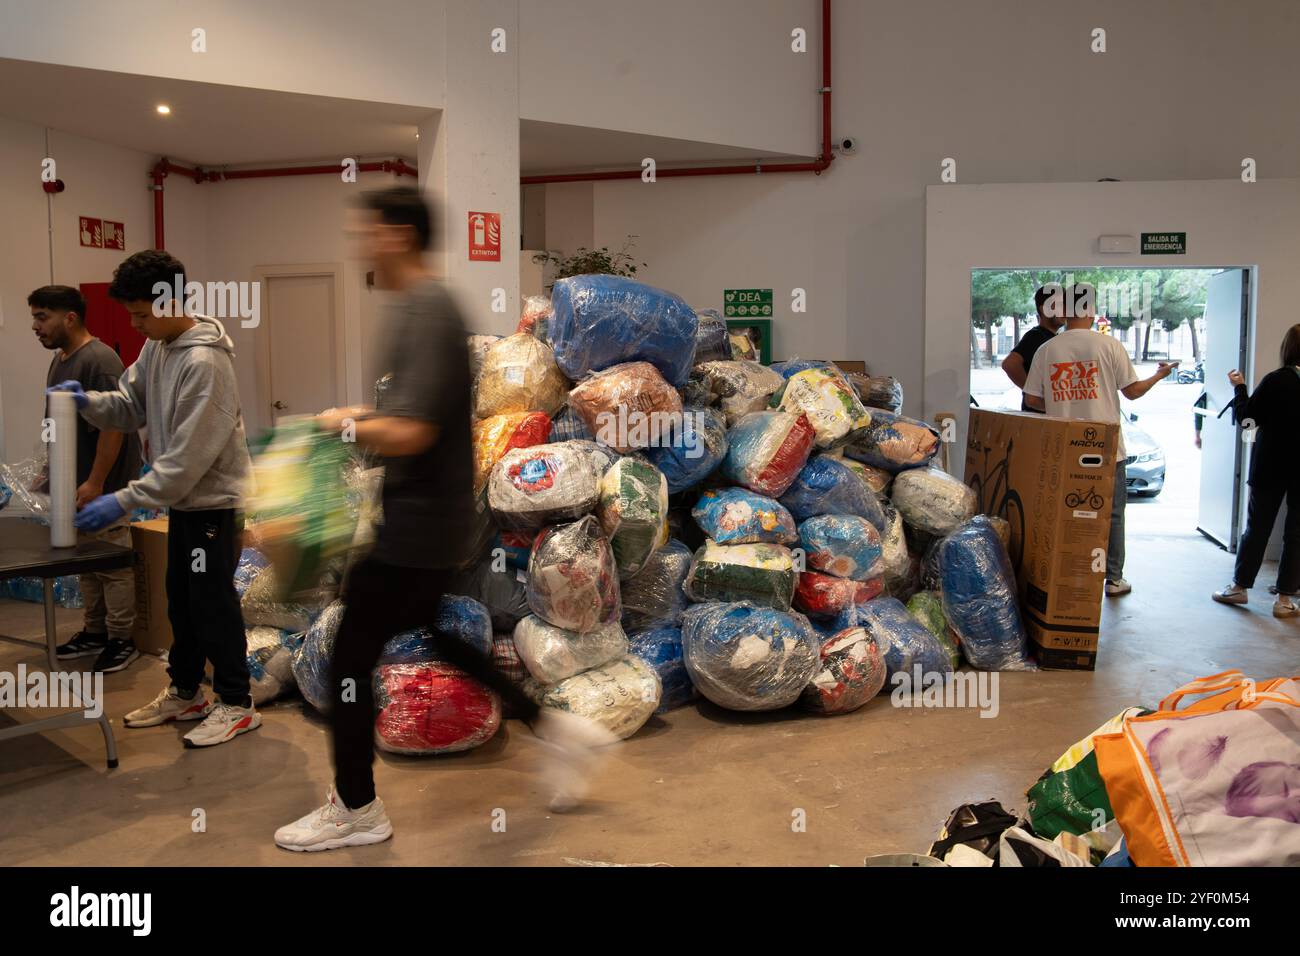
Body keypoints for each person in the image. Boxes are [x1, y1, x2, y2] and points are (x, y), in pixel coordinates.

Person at [274, 187, 617, 853]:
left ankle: (357, 806)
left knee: (351, 655)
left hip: (416, 527)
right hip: (425, 521)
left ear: (397, 234)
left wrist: (341, 424)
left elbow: (410, 431)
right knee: (439, 635)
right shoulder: (416, 307)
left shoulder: (426, 311)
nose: (360, 245)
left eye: (367, 232)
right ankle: (563, 733)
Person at [47, 250, 258, 747]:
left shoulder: (205, 363)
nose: (136, 323)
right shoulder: (157, 348)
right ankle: (187, 692)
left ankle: (237, 703)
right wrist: (90, 404)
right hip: (183, 506)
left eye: (141, 314)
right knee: (181, 605)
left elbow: (187, 459)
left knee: (212, 606)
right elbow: (128, 405)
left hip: (212, 506)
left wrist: (125, 499)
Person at [1023, 283, 1176, 597]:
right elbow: (1132, 392)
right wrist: (1159, 376)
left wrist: (1061, 404)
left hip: (1063, 445)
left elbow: (1031, 399)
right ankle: (1114, 578)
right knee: (1112, 513)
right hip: (1106, 448)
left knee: (1061, 510)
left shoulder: (1047, 349)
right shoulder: (1109, 346)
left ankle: (1062, 570)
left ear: (1063, 312)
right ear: (1090, 311)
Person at [30, 285, 143, 672]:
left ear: (70, 317)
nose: (35, 326)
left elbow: (115, 426)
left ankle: (121, 639)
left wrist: (96, 482)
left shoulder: (100, 360)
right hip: (74, 482)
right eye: (34, 317)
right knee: (87, 565)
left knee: (111, 566)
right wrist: (51, 470)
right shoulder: (61, 358)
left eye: (42, 317)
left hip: (104, 484)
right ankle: (94, 632)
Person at [1211, 324, 1300, 617]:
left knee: (1258, 527)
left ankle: (1239, 588)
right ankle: (1285, 600)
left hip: (1270, 465)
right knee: (1297, 533)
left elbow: (1247, 420)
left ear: (1287, 348)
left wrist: (1240, 388)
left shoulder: (1277, 381)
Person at [1001, 284, 1065, 412]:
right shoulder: (1036, 336)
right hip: (1039, 418)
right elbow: (1009, 364)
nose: (1065, 310)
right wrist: (1032, 394)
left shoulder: (1049, 337)